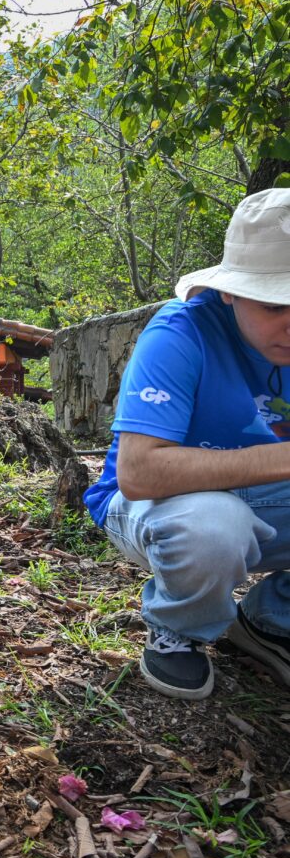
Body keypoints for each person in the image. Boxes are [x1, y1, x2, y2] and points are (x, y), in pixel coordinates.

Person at [84, 188, 290, 700]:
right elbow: (140, 474)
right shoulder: (181, 333)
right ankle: (179, 627)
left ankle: (272, 616)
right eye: (273, 304)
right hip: (156, 507)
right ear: (229, 292)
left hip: (266, 496)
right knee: (213, 526)